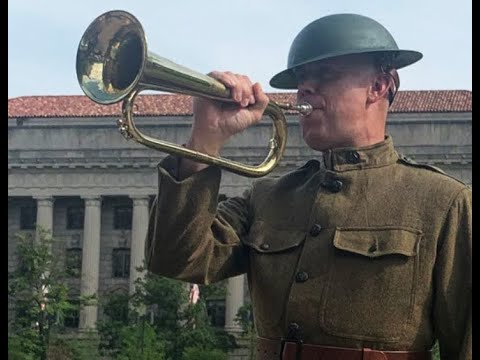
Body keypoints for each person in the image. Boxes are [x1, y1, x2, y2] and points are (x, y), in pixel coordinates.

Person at [145, 13, 472, 360]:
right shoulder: (267, 197)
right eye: (301, 79)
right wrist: (204, 142)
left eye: (325, 75)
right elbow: (176, 259)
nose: (305, 88)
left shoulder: (443, 203)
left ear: (379, 86)